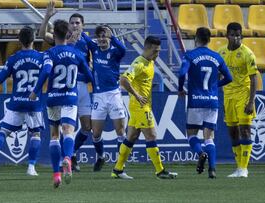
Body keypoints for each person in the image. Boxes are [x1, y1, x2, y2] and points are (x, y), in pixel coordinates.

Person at [30, 19, 93, 188]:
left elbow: (45, 71)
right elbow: (88, 76)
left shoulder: (49, 54)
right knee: (68, 131)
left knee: (54, 135)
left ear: (54, 35)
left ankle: (57, 174)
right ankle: (67, 157)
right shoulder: (78, 54)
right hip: (70, 98)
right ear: (68, 34)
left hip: (53, 98)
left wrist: (36, 91)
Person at [0, 26, 45, 176]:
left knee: (4, 131)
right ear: (33, 40)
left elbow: (0, 79)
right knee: (35, 135)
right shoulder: (41, 57)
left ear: (19, 40)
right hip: (33, 102)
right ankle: (31, 167)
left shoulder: (13, 59)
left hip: (16, 102)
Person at [111, 36, 178, 179]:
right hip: (140, 106)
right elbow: (123, 80)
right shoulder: (139, 63)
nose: (157, 54)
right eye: (155, 51)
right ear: (146, 48)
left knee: (131, 137)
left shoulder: (150, 62)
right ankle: (160, 171)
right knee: (151, 135)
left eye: (159, 51)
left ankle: (117, 170)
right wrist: (137, 95)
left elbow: (141, 81)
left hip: (141, 105)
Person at [178, 27, 232, 179]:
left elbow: (182, 73)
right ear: (209, 40)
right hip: (212, 101)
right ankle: (212, 168)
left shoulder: (190, 55)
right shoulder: (217, 57)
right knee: (209, 137)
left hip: (196, 101)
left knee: (191, 135)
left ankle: (200, 153)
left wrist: (180, 88)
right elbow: (229, 78)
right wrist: (215, 86)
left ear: (196, 39)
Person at [81, 25, 127, 171]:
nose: (101, 39)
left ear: (109, 38)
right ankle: (101, 157)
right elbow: (84, 36)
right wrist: (76, 28)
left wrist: (112, 36)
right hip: (99, 96)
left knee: (120, 132)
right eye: (99, 36)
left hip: (114, 95)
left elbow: (124, 50)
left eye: (104, 36)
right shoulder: (94, 49)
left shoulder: (115, 52)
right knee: (96, 133)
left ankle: (120, 163)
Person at [218, 22, 258, 178]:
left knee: (245, 130)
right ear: (227, 36)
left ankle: (244, 168)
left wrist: (251, 101)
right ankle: (238, 167)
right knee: (233, 132)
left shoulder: (248, 54)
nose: (236, 38)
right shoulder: (220, 53)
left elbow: (254, 78)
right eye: (233, 35)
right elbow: (217, 74)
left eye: (238, 36)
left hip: (243, 94)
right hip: (228, 96)